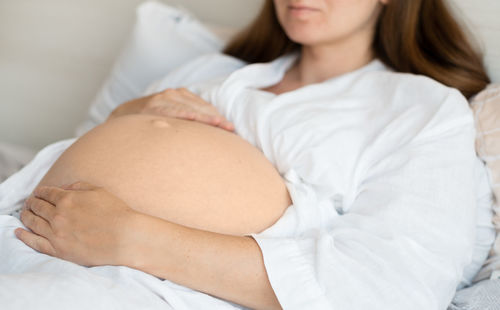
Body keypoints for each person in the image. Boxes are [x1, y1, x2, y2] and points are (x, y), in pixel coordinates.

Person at [13, 0, 495, 309]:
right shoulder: (212, 71)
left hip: (165, 286)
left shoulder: (420, 107)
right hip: (34, 236)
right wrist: (126, 114)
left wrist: (133, 238)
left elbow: (390, 288)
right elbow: (97, 156)